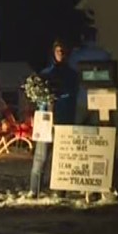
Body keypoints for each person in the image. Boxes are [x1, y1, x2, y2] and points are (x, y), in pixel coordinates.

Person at [68, 23, 118, 204]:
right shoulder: (104, 54)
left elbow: (71, 71)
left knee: (83, 144)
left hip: (83, 103)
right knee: (104, 143)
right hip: (103, 103)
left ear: (83, 38)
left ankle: (90, 188)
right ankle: (104, 186)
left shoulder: (77, 56)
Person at [30, 39, 78, 196]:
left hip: (63, 120)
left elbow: (72, 95)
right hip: (46, 121)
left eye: (63, 51)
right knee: (40, 157)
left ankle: (60, 191)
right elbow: (38, 97)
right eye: (58, 51)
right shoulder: (45, 74)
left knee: (61, 158)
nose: (61, 54)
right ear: (53, 53)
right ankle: (34, 190)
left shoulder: (72, 75)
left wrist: (59, 95)